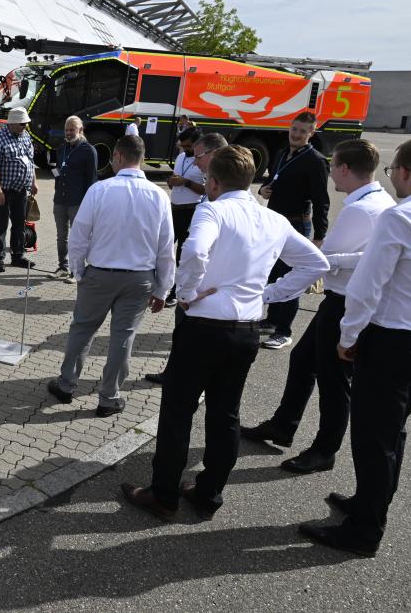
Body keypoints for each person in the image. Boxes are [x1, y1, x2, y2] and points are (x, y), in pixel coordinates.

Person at [120, 145, 327, 521]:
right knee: (225, 414)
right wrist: (268, 294)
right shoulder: (274, 219)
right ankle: (209, 492)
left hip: (204, 326)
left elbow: (196, 250)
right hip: (245, 329)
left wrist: (184, 294)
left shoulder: (212, 209)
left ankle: (164, 495)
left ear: (213, 182)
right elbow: (316, 263)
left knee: (178, 413)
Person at [300, 136, 411, 558]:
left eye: (394, 170)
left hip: (395, 340)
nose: (392, 177)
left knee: (374, 440)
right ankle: (367, 504)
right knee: (391, 433)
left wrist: (348, 336)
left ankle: (364, 530)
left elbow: (365, 286)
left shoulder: (401, 217)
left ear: (407, 172)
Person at [240, 140, 395, 474]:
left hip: (344, 302)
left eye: (333, 165)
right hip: (341, 299)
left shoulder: (360, 209)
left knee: (334, 380)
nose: (330, 172)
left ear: (343, 169)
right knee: (303, 360)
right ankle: (283, 424)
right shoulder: (379, 200)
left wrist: (318, 263)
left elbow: (330, 260)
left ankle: (324, 450)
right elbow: (366, 255)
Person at [46, 135, 174, 417]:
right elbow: (166, 248)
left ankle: (66, 385)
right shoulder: (159, 195)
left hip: (100, 274)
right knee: (123, 337)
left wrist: (78, 270)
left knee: (83, 329)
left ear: (117, 156)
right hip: (140, 278)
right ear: (141, 158)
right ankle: (109, 398)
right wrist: (163, 289)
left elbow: (79, 236)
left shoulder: (99, 190)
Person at [144, 132, 227, 385]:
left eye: (199, 155)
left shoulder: (217, 197)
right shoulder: (214, 186)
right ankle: (179, 373)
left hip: (202, 287)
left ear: (214, 154)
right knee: (185, 334)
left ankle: (181, 378)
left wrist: (185, 291)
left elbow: (196, 252)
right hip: (206, 287)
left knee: (189, 331)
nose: (196, 160)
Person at [258, 112, 330, 350]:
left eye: (303, 131)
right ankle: (271, 320)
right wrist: (264, 190)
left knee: (290, 278)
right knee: (273, 274)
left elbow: (322, 201)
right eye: (294, 129)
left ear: (312, 133)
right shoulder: (280, 153)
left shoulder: (316, 160)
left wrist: (320, 236)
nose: (297, 134)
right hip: (275, 224)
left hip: (297, 224)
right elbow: (272, 181)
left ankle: (284, 331)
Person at [0, 107, 39, 272]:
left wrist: (33, 182)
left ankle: (18, 256)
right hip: (4, 190)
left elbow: (30, 162)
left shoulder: (25, 136)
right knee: (1, 225)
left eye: (26, 124)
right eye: (22, 124)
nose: (25, 126)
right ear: (13, 123)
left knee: (19, 225)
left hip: (21, 189)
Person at [49, 116, 97, 280]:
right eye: (67, 130)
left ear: (80, 130)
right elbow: (57, 172)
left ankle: (76, 271)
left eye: (72, 130)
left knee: (78, 238)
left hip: (78, 202)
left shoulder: (89, 150)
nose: (69, 133)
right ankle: (62, 266)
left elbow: (92, 180)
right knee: (61, 236)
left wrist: (88, 204)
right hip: (60, 201)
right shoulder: (61, 149)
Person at [165, 127, 205, 304]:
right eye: (183, 146)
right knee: (164, 250)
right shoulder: (181, 157)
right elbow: (176, 178)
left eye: (188, 146)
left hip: (192, 211)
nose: (185, 149)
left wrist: (186, 182)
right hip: (174, 209)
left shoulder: (203, 161)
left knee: (183, 255)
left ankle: (176, 292)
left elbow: (207, 190)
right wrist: (171, 181)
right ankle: (161, 286)